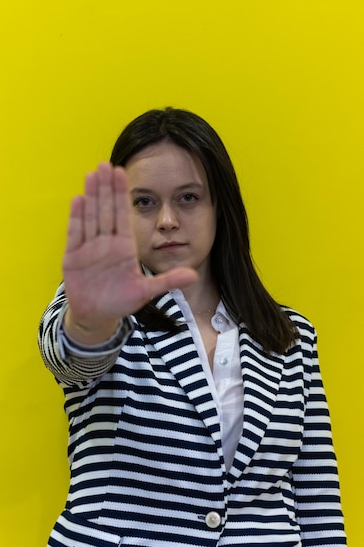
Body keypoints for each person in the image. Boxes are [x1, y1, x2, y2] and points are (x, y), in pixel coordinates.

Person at [38, 107, 347, 547]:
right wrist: (92, 319)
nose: (167, 220)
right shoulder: (99, 308)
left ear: (221, 206)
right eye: (143, 202)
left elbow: (317, 496)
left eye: (188, 198)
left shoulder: (290, 335)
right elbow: (70, 358)